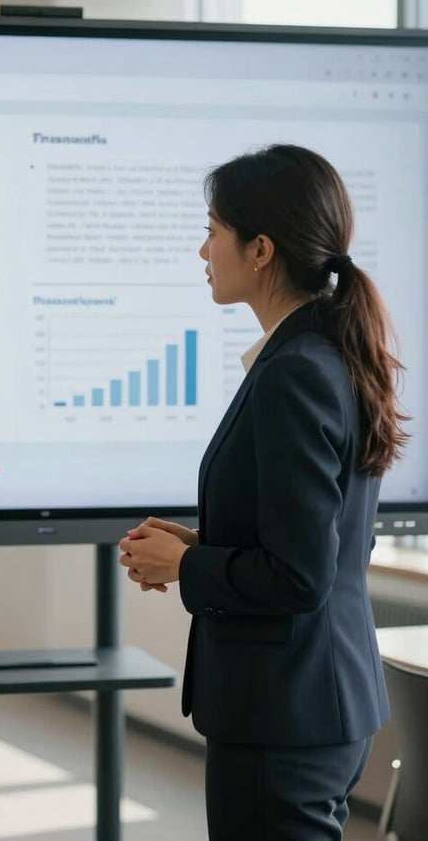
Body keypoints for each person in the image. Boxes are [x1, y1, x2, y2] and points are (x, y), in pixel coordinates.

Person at [118, 144, 408, 841]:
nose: (202, 249)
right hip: (311, 701)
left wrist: (186, 566)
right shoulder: (322, 351)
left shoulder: (294, 371)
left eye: (213, 230)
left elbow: (300, 574)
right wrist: (201, 546)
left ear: (260, 250)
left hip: (287, 711)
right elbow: (330, 540)